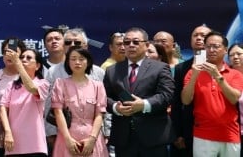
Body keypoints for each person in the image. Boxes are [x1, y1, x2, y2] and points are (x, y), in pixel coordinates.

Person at [104, 28, 174, 157]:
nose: (131, 45)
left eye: (136, 42)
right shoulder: (112, 70)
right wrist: (116, 107)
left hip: (153, 137)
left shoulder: (160, 67)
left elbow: (167, 95)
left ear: (147, 45)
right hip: (124, 139)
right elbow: (104, 98)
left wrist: (144, 104)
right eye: (127, 42)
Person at [178, 31, 242, 157]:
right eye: (208, 46)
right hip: (203, 135)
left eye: (216, 46)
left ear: (225, 50)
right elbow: (185, 100)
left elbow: (234, 99)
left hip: (230, 134)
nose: (211, 50)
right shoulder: (192, 72)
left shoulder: (235, 74)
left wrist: (218, 76)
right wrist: (195, 74)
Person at [53, 47, 107, 157]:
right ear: (68, 62)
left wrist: (92, 139)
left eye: (81, 59)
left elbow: (99, 114)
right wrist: (68, 139)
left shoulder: (98, 86)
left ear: (88, 62)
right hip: (68, 137)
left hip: (92, 138)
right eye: (73, 59)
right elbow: (58, 112)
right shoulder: (60, 84)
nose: (77, 62)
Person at [0, 48, 49, 157]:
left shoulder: (42, 83)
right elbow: (3, 108)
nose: (24, 60)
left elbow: (31, 88)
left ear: (37, 66)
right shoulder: (11, 85)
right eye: (22, 57)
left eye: (29, 58)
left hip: (35, 147)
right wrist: (7, 132)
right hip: (13, 145)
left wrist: (18, 64)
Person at [172, 25, 213, 157]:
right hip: (188, 130)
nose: (199, 38)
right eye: (196, 35)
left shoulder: (220, 67)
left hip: (214, 130)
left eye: (203, 35)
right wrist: (177, 133)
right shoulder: (180, 68)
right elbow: (176, 103)